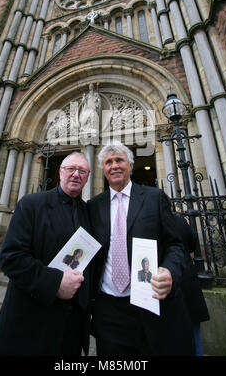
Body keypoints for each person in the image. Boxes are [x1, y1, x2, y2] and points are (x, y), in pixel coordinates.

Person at [87, 141, 195, 356]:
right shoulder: (93, 206)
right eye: (108, 162)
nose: (114, 165)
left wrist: (170, 272)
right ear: (103, 169)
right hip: (108, 308)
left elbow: (176, 244)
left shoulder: (154, 198)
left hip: (151, 302)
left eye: (119, 160)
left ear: (130, 164)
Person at [0, 152, 92, 356]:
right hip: (32, 323)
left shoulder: (88, 211)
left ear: (88, 177)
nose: (76, 175)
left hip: (70, 329)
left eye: (82, 171)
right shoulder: (32, 204)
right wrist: (55, 283)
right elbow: (11, 258)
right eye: (71, 169)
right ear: (61, 172)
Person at [173, 214, 210, 356]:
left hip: (175, 289)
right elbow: (192, 246)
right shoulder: (180, 221)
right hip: (188, 284)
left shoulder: (152, 223)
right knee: (194, 338)